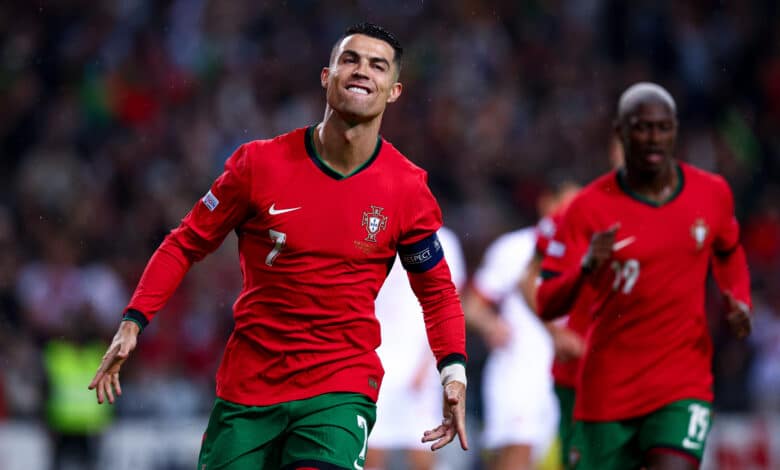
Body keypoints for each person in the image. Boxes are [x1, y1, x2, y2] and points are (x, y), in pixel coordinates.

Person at [88, 23, 469, 470]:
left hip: (339, 391)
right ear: (327, 77)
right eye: (350, 59)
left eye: (376, 65)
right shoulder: (259, 165)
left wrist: (453, 372)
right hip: (250, 387)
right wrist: (134, 320)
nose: (361, 70)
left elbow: (437, 292)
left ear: (394, 91)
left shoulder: (406, 189)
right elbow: (184, 243)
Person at [537, 82, 752, 470]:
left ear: (676, 130)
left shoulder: (712, 193)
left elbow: (729, 250)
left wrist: (737, 298)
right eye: (641, 128)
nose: (653, 138)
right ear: (620, 133)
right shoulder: (587, 208)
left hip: (682, 382)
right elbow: (547, 300)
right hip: (607, 389)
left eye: (663, 127)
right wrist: (586, 268)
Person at [462, 181, 577, 470]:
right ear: (546, 203)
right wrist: (492, 326)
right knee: (516, 458)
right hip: (518, 374)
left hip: (560, 378)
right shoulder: (516, 249)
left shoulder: (583, 255)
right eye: (567, 205)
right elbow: (471, 305)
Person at [366, 226, 466, 470]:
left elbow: (450, 299)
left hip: (420, 359)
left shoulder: (444, 241)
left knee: (423, 450)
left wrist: (431, 361)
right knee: (371, 452)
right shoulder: (375, 231)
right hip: (377, 357)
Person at [518, 183, 585, 470]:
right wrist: (556, 333)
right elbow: (526, 281)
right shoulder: (527, 241)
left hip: (623, 365)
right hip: (560, 368)